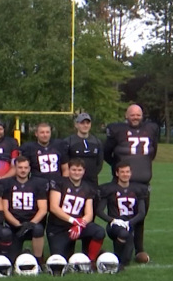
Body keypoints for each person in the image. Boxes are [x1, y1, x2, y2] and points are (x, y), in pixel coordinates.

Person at [104, 104, 158, 263]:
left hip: (142, 183)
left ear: (142, 115)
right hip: (122, 182)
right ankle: (120, 248)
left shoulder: (151, 128)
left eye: (138, 115)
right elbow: (107, 152)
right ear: (126, 115)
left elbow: (153, 151)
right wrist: (119, 166)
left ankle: (139, 249)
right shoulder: (117, 130)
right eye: (132, 115)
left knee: (140, 217)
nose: (135, 117)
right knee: (119, 215)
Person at [46, 158, 105, 262]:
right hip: (58, 227)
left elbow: (89, 213)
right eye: (74, 170)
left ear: (84, 171)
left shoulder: (88, 187)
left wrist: (79, 224)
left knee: (99, 231)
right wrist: (73, 220)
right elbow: (54, 207)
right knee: (59, 260)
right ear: (68, 170)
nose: (76, 172)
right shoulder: (59, 183)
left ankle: (91, 261)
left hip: (77, 227)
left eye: (79, 170)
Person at [96, 162, 148, 268]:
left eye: (127, 172)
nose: (125, 174)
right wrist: (112, 220)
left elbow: (142, 212)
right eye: (122, 172)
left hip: (129, 225)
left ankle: (111, 257)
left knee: (126, 260)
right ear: (117, 173)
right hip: (114, 226)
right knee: (123, 234)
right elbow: (99, 210)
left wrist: (130, 222)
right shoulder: (109, 189)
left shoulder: (138, 189)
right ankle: (113, 258)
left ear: (131, 173)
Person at [0, 156, 49, 265]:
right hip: (14, 225)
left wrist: (30, 224)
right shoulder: (7, 184)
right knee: (12, 261)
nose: (23, 170)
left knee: (38, 229)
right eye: (20, 167)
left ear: (30, 168)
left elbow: (43, 209)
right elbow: (5, 209)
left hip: (32, 223)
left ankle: (38, 260)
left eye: (26, 167)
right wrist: (17, 224)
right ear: (15, 168)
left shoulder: (38, 184)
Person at [60, 113, 103, 186]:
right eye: (82, 123)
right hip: (73, 181)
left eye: (87, 123)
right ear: (76, 125)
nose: (85, 125)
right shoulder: (68, 141)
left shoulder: (97, 142)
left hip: (92, 181)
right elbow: (64, 163)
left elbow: (99, 162)